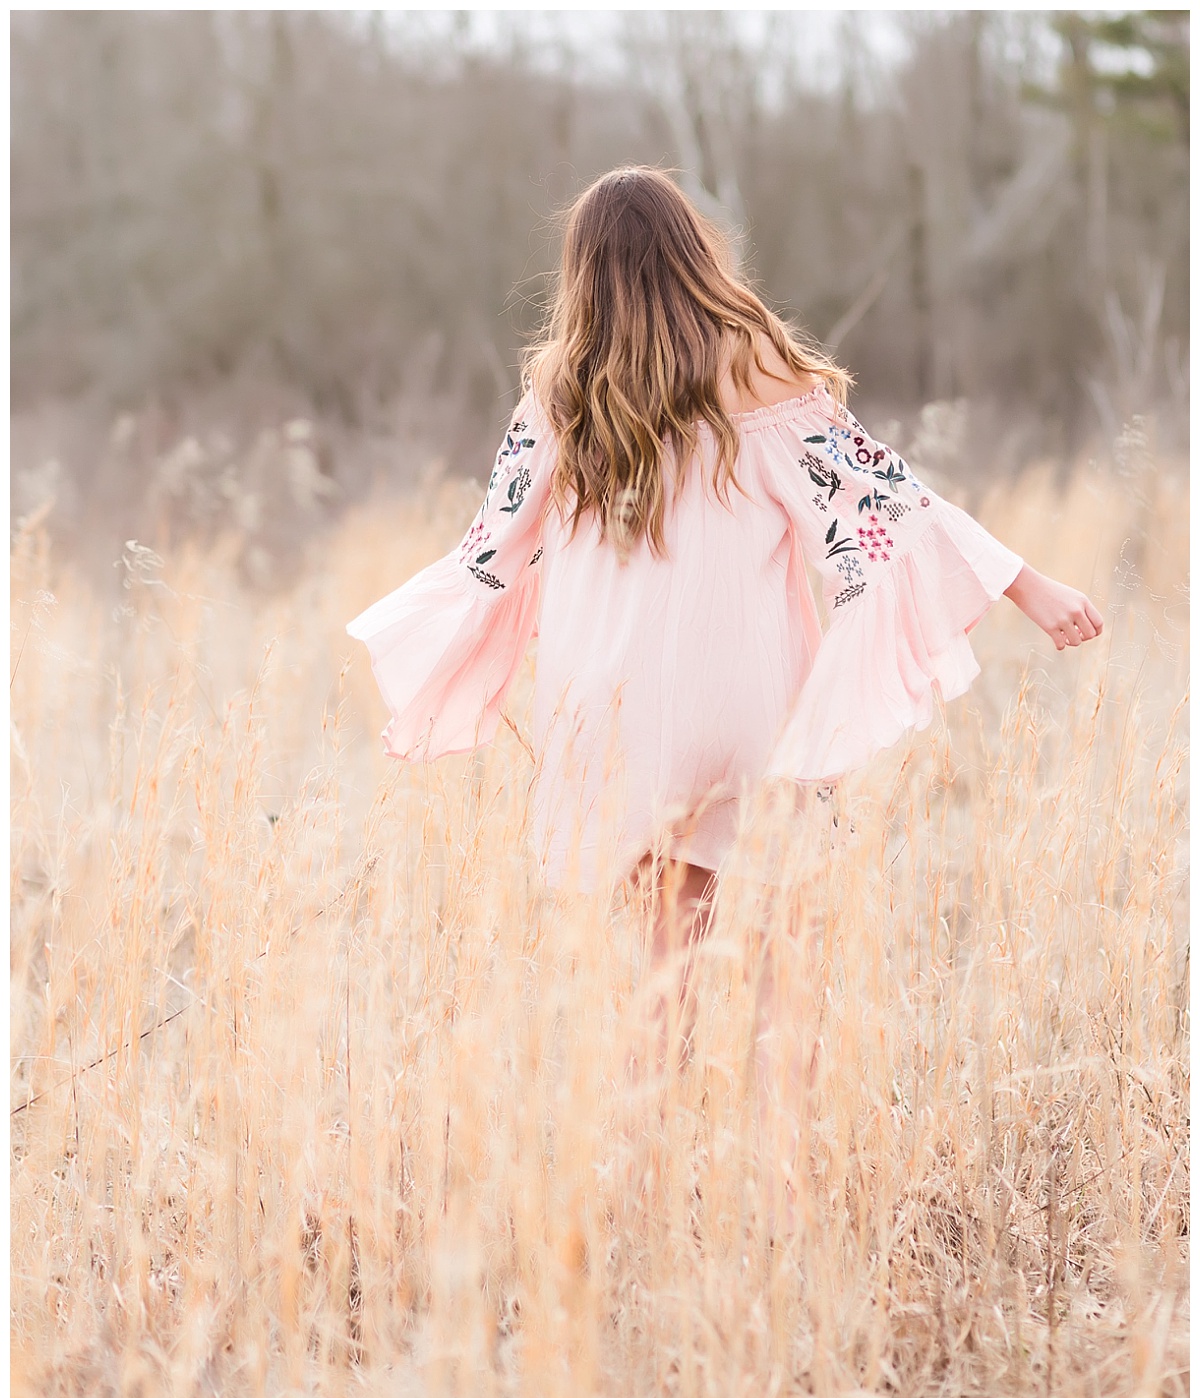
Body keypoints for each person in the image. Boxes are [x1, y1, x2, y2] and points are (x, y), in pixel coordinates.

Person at [346, 165, 1103, 1087]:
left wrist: (430, 688)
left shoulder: (560, 391)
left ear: (583, 270)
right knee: (787, 942)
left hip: (611, 706)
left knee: (663, 962)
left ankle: (650, 1167)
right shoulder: (753, 366)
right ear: (691, 252)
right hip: (742, 694)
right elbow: (880, 495)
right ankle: (778, 1168)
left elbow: (489, 550)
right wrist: (1027, 582)